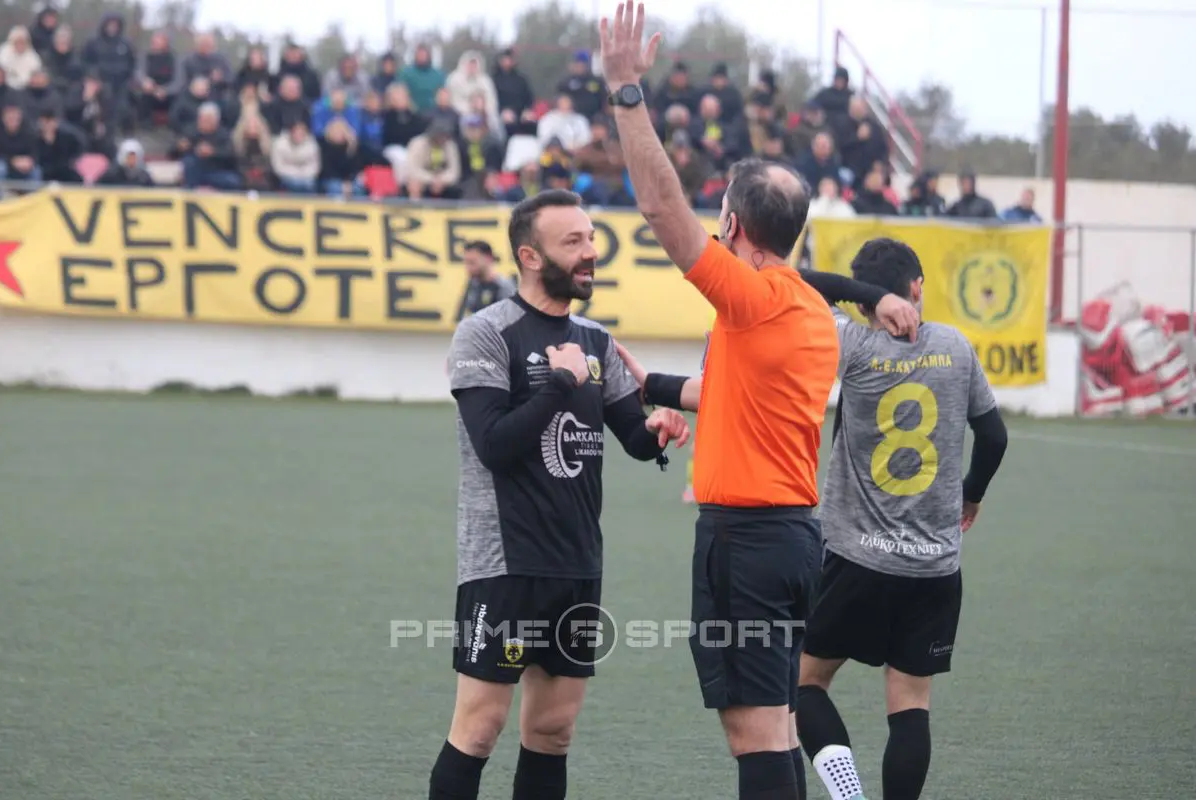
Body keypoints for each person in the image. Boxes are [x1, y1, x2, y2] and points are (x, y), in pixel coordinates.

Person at [597, 5, 916, 799]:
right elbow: (731, 394)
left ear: (733, 224)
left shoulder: (753, 299)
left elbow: (661, 210)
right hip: (790, 540)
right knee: (771, 726)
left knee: (757, 733)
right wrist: (652, 387)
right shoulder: (804, 308)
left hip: (746, 542)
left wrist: (627, 93)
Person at [431, 188, 691, 800]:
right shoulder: (485, 334)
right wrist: (558, 382)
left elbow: (632, 435)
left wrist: (657, 428)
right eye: (572, 242)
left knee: (553, 732)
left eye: (591, 238)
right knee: (480, 728)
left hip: (576, 563)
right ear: (530, 256)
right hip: (506, 565)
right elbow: (494, 444)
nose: (590, 252)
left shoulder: (596, 340)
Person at [795, 238, 1009, 800]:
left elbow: (795, 283)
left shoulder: (852, 344)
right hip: (934, 567)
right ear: (916, 287)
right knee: (911, 703)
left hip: (855, 559)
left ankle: (847, 792)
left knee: (804, 683)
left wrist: (866, 296)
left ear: (865, 300)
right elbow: (993, 436)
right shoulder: (955, 346)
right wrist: (971, 495)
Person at [456, 240, 516, 320]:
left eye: (472, 262)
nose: (468, 268)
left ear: (488, 258)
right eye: (466, 263)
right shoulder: (473, 285)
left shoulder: (503, 287)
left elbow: (511, 320)